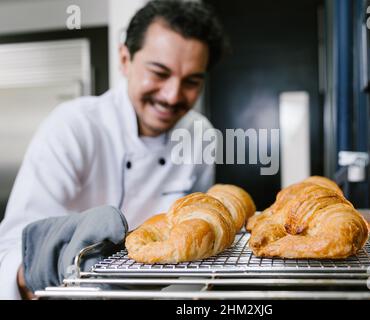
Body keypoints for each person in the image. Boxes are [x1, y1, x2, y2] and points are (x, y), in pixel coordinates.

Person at [0, 1, 228, 299]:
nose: (172, 95)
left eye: (191, 81)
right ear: (124, 59)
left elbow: (196, 226)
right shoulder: (73, 126)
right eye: (159, 73)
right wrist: (43, 267)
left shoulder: (200, 135)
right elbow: (14, 246)